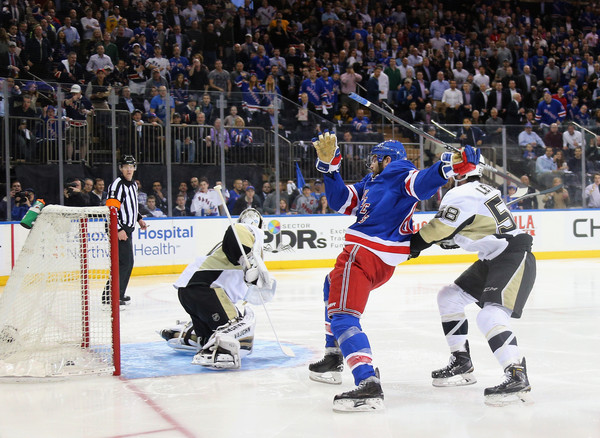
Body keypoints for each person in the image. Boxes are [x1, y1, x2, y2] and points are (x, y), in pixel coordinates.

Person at [308, 133, 480, 412]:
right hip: (379, 262)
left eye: (375, 158)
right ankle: (332, 355)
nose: (370, 163)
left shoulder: (398, 171)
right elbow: (340, 202)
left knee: (342, 317)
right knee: (331, 285)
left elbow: (420, 183)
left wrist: (450, 165)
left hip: (362, 255)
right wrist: (330, 168)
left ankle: (367, 383)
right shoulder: (372, 182)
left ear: (387, 160)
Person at [409, 161, 536, 407]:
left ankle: (516, 373)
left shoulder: (461, 192)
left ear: (458, 175)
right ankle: (461, 362)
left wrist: (412, 246)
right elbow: (472, 227)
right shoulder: (483, 190)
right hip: (494, 256)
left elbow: (439, 228)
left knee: (490, 315)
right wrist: (453, 239)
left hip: (511, 255)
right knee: (449, 297)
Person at [159, 209, 275, 369]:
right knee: (239, 325)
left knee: (211, 334)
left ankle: (198, 336)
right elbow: (237, 231)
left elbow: (251, 287)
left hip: (190, 291)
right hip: (207, 291)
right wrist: (247, 259)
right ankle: (219, 349)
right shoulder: (247, 232)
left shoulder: (230, 248)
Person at [104, 155, 148, 305]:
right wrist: (117, 229)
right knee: (126, 262)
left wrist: (139, 218)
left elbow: (132, 206)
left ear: (134, 168)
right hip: (119, 229)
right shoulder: (117, 185)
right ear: (121, 169)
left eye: (131, 167)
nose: (129, 169)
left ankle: (112, 294)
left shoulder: (134, 185)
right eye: (126, 167)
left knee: (124, 262)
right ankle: (114, 295)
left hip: (127, 228)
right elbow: (111, 209)